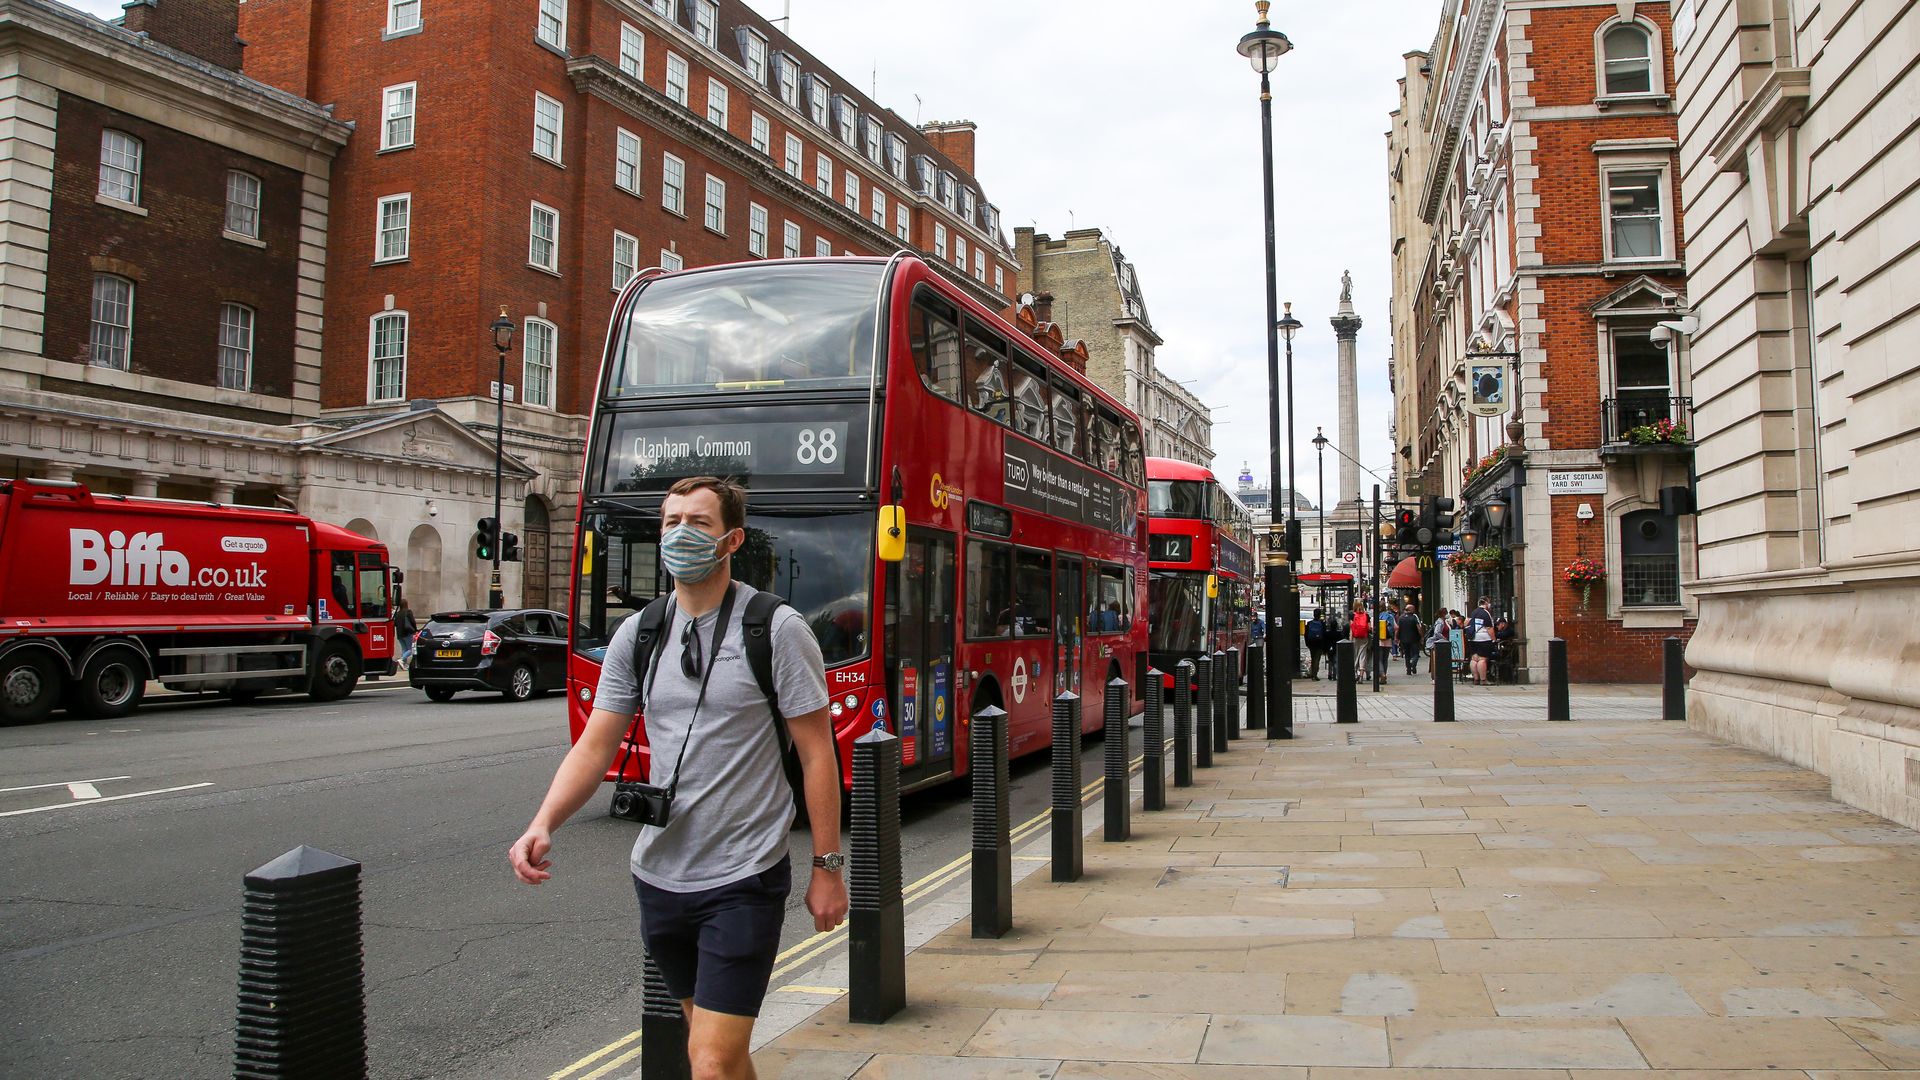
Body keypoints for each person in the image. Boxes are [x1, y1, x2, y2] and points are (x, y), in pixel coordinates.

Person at [509, 477, 845, 1080]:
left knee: (710, 1062)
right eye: (671, 523)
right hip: (659, 877)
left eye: (699, 523)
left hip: (745, 876)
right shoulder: (638, 634)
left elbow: (818, 753)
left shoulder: (776, 629)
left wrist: (827, 868)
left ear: (732, 539)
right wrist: (543, 822)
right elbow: (594, 746)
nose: (681, 535)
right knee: (720, 1052)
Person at [1468, 598, 1497, 685]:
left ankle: (1476, 679)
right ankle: (1483, 680)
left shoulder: (1474, 612)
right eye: (1489, 603)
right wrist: (1493, 639)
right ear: (1486, 603)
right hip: (1483, 639)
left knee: (1474, 659)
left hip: (1473, 639)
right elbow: (1489, 628)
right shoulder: (1485, 613)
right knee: (1482, 659)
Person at [1396, 603, 1423, 675]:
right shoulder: (1414, 617)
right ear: (1411, 610)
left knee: (1407, 654)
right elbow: (1419, 628)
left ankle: (1408, 669)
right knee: (1416, 653)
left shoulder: (1401, 618)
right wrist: (1421, 636)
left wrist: (1397, 637)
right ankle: (1413, 664)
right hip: (1414, 639)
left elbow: (1398, 629)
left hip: (1404, 639)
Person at [393, 597, 418, 669]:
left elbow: (395, 623)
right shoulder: (408, 612)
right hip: (408, 633)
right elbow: (412, 621)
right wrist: (415, 630)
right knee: (411, 649)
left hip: (400, 634)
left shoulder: (397, 613)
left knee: (404, 649)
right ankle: (401, 660)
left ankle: (404, 664)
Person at [1348, 602, 1371, 680]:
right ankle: (1361, 675)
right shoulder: (1366, 615)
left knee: (1355, 655)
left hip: (1355, 637)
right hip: (1364, 637)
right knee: (1363, 656)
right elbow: (1369, 628)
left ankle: (1355, 673)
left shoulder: (1352, 615)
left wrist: (1350, 639)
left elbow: (1351, 628)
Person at [1304, 608, 1329, 680]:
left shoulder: (1309, 624)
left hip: (1311, 643)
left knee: (1313, 658)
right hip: (1319, 643)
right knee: (1317, 659)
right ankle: (1314, 674)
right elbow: (1324, 635)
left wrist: (1307, 643)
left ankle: (1312, 673)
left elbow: (1306, 634)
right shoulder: (1322, 623)